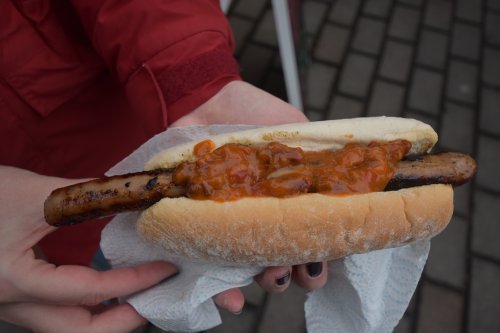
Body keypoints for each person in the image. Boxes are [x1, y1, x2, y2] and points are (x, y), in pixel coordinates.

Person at [0, 1, 328, 332]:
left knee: (164, 281)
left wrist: (192, 76)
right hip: (33, 242)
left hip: (138, 130)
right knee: (122, 293)